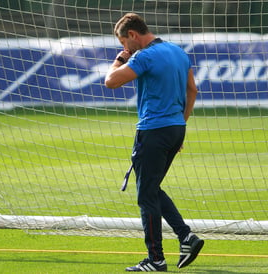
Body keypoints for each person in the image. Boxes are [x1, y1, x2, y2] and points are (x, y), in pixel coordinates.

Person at [105, 13, 203, 272]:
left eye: (125, 42)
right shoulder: (178, 52)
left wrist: (119, 60)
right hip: (175, 128)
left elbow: (110, 81)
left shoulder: (143, 56)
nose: (125, 48)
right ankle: (186, 237)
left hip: (153, 130)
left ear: (134, 35)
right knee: (151, 187)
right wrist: (181, 123)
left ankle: (156, 259)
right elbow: (192, 90)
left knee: (146, 195)